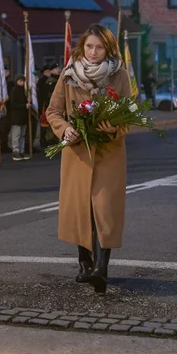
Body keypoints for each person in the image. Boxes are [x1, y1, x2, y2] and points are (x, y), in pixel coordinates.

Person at [45, 25, 133, 294]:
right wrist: (65, 129)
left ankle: (101, 270)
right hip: (78, 153)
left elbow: (129, 114)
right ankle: (84, 263)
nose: (93, 52)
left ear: (109, 49)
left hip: (109, 151)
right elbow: (53, 111)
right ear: (82, 47)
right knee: (81, 209)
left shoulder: (119, 75)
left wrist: (114, 127)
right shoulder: (68, 75)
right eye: (89, 47)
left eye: (100, 47)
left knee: (104, 209)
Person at [7, 75, 30, 160]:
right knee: (16, 134)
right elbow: (13, 104)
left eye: (23, 81)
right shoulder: (14, 90)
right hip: (16, 116)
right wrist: (24, 106)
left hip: (23, 116)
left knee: (22, 135)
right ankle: (15, 151)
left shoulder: (24, 90)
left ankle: (21, 150)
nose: (22, 83)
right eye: (20, 81)